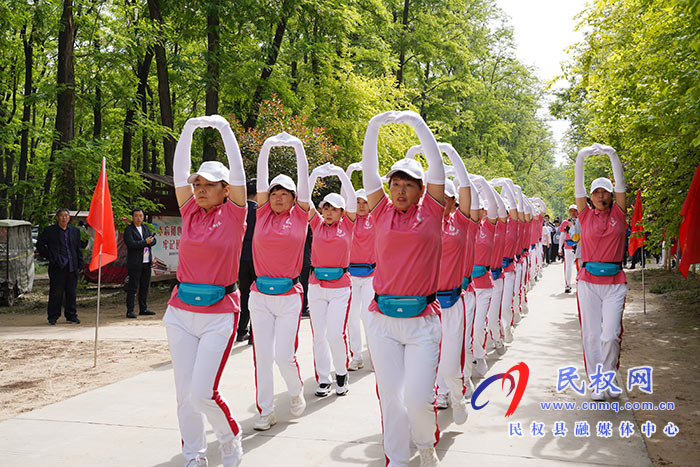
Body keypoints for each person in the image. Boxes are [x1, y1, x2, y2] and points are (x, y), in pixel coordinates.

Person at [361, 110, 445, 467]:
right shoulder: (380, 211)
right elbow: (367, 170)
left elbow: (437, 166)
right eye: (395, 183)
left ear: (421, 189)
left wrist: (417, 124)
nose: (399, 189)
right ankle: (395, 459)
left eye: (408, 183)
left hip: (422, 321)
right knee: (390, 400)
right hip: (382, 320)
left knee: (417, 399)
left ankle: (425, 443)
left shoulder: (434, 211)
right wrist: (373, 127)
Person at [164, 114, 247, 467]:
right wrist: (187, 131)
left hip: (218, 313)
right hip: (181, 312)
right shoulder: (190, 213)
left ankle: (230, 439)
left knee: (203, 393)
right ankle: (194, 455)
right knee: (185, 396)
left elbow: (240, 174)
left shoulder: (234, 214)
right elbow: (178, 171)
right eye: (197, 183)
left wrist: (224, 130)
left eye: (209, 184)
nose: (199, 188)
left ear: (225, 189)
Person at [249, 132, 310, 431]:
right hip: (259, 295)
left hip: (288, 296)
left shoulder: (301, 216)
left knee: (283, 355)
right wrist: (267, 146)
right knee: (262, 356)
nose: (277, 195)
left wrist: (297, 147)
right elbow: (261, 181)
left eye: (284, 192)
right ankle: (266, 410)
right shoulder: (261, 214)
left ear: (294, 197)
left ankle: (296, 391)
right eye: (274, 191)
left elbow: (304, 182)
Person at [573, 143, 627, 402]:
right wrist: (581, 157)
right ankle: (599, 382)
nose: (600, 195)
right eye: (595, 191)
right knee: (592, 335)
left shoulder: (619, 212)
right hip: (588, 283)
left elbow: (621, 186)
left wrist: (611, 154)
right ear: (590, 196)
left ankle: (609, 374)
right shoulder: (584, 216)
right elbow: (578, 188)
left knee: (611, 335)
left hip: (615, 282)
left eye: (604, 191)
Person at [429, 142, 477, 424]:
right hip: (428, 302)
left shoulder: (461, 222)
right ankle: (440, 394)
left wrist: (450, 153)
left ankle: (456, 394)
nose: (442, 202)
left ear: (454, 201)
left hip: (453, 300)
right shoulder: (423, 221)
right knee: (430, 356)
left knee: (449, 362)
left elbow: (466, 189)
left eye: (448, 198)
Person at [306, 163, 357, 397]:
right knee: (319, 334)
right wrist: (315, 174)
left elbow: (353, 202)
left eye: (334, 209)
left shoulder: (347, 225)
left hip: (340, 286)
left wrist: (340, 174)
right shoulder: (316, 224)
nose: (328, 212)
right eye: (325, 207)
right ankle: (323, 379)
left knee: (335, 333)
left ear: (341, 212)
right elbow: (305, 200)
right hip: (316, 285)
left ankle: (341, 373)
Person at [469, 175, 501, 377]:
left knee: (480, 326)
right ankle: (467, 364)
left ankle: (480, 356)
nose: (481, 212)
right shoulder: (465, 226)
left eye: (483, 209)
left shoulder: (489, 227)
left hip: (485, 286)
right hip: (467, 286)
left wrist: (482, 183)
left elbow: (496, 207)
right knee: (465, 332)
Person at [345, 163, 374, 372]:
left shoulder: (376, 219)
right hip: (350, 275)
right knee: (352, 317)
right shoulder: (348, 220)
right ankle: (356, 356)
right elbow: (342, 196)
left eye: (364, 202)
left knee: (368, 315)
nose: (361, 205)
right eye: (357, 202)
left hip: (372, 274)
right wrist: (348, 173)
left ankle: (375, 355)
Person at [36, 208, 83, 325]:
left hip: (72, 266)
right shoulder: (50, 230)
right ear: (57, 218)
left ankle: (71, 315)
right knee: (56, 293)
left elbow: (78, 249)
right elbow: (40, 245)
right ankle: (53, 316)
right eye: (61, 216)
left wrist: (80, 264)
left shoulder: (75, 231)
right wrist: (50, 256)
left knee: (71, 293)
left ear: (69, 218)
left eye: (66, 216)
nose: (64, 218)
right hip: (57, 266)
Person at [124, 208, 157, 319]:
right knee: (132, 287)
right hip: (135, 263)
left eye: (140, 216)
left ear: (143, 217)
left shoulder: (145, 228)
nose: (138, 218)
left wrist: (151, 240)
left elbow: (152, 241)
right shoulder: (129, 230)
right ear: (132, 217)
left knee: (144, 286)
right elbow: (131, 244)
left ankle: (143, 308)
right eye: (136, 216)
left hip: (146, 262)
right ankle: (130, 310)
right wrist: (145, 242)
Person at [237, 179, 258, 343]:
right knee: (257, 296)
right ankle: (254, 334)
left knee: (244, 294)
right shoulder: (261, 211)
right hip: (258, 258)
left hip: (241, 257)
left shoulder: (240, 210)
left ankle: (241, 330)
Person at [559, 204, 580, 293]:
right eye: (571, 210)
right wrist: (560, 248)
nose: (573, 212)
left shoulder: (580, 220)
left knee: (580, 265)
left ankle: (579, 282)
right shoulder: (565, 222)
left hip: (579, 245)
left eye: (574, 210)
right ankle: (568, 284)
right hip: (568, 246)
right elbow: (562, 236)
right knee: (568, 266)